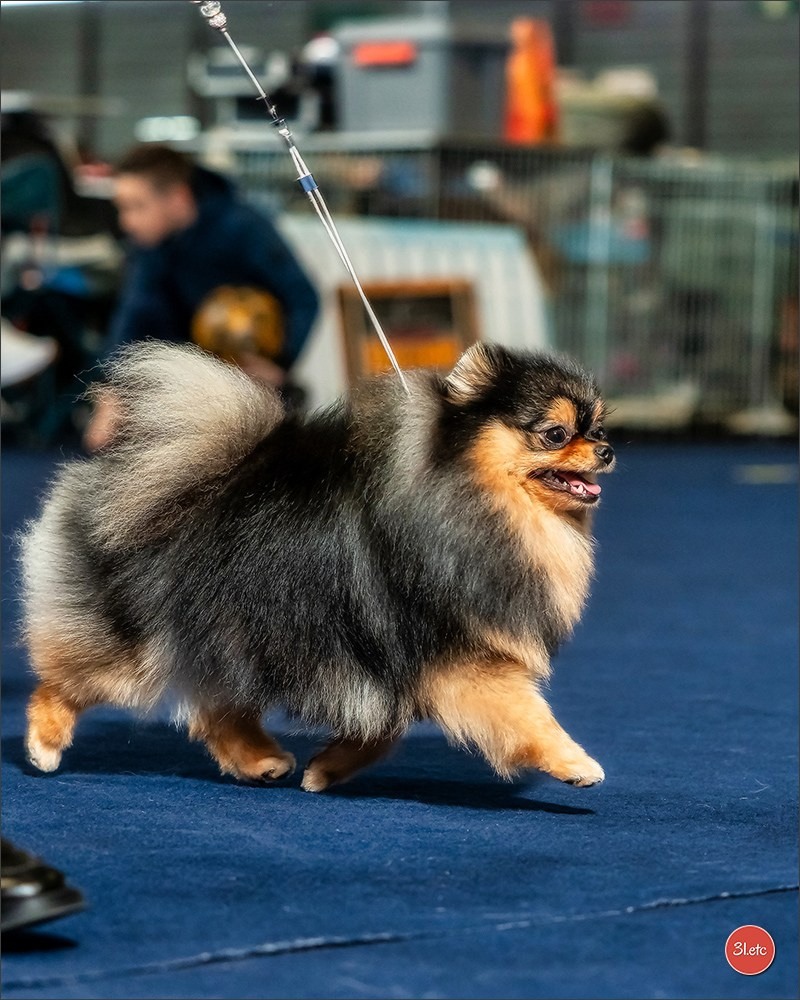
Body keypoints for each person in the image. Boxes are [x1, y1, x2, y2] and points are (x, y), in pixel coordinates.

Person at [86, 143, 318, 448]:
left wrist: (280, 364)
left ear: (178, 198)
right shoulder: (149, 249)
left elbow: (303, 298)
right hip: (190, 392)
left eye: (136, 206)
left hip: (255, 390)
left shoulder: (244, 229)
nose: (125, 221)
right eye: (122, 207)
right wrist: (111, 392)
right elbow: (134, 315)